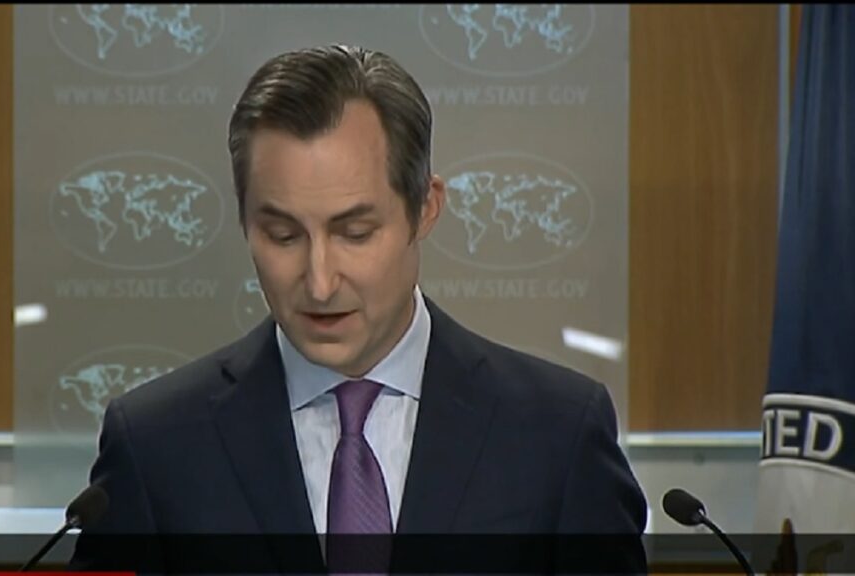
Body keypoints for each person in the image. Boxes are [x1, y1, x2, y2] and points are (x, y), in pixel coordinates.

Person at [68, 44, 648, 574]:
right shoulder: (155, 446)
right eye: (283, 235)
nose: (320, 283)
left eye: (355, 233)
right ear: (244, 221)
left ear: (425, 209)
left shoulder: (557, 434)